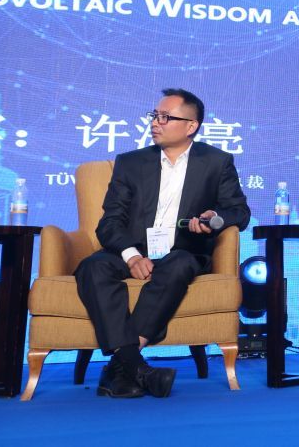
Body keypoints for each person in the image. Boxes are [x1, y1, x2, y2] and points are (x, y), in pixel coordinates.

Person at [75, 88, 251, 398]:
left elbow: (239, 212)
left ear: (191, 126)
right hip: (132, 249)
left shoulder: (216, 162)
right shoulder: (131, 163)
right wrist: (131, 256)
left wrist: (214, 218)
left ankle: (120, 367)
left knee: (180, 264)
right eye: (154, 116)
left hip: (182, 251)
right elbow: (109, 222)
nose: (155, 122)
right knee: (92, 267)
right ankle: (134, 366)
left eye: (165, 117)